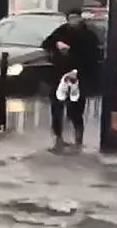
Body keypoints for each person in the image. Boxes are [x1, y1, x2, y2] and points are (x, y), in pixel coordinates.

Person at [41, 8, 100, 147]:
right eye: (70, 18)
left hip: (79, 75)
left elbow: (91, 56)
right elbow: (46, 43)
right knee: (56, 105)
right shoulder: (61, 32)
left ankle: (78, 137)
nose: (73, 21)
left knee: (76, 107)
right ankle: (58, 136)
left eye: (76, 18)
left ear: (80, 18)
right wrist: (57, 45)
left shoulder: (88, 35)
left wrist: (72, 53)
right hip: (60, 74)